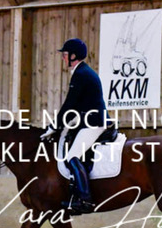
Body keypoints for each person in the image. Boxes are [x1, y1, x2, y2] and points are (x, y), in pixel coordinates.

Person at [41, 38, 110, 214]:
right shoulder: (81, 72)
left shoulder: (81, 74)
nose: (63, 58)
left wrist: (54, 127)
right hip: (87, 120)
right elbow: (76, 107)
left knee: (72, 156)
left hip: (94, 123)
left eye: (65, 55)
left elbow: (69, 105)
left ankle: (84, 199)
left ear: (73, 56)